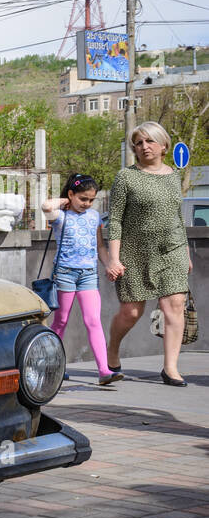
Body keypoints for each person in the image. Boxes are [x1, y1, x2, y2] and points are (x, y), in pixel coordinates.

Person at [104, 121, 193, 386]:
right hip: (135, 252)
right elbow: (116, 220)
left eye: (149, 141)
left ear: (163, 145)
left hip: (172, 249)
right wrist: (114, 258)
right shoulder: (126, 177)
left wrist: (186, 252)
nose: (144, 147)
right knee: (131, 312)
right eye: (139, 143)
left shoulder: (173, 175)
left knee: (174, 305)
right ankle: (112, 349)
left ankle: (170, 368)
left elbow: (178, 217)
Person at [42, 174, 121, 385]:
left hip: (88, 274)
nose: (87, 204)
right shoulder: (61, 216)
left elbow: (100, 247)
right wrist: (64, 202)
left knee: (93, 321)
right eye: (82, 199)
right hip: (65, 274)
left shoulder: (94, 217)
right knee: (61, 321)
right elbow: (46, 206)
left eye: (91, 200)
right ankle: (52, 365)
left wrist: (109, 265)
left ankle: (104, 371)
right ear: (71, 194)